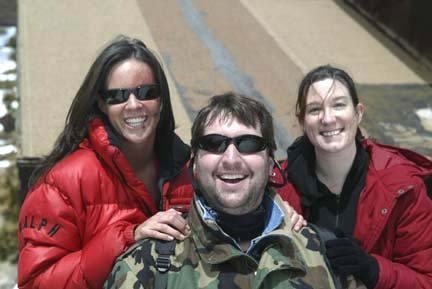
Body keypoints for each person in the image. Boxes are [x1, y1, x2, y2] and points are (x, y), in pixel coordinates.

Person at [104, 92, 365, 289]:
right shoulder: (146, 265)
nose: (231, 158)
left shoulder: (328, 254)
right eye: (214, 143)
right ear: (193, 162)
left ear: (270, 159)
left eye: (248, 143)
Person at [18, 35, 194, 289]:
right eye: (118, 96)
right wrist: (127, 238)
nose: (134, 105)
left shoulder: (191, 170)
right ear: (101, 103)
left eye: (146, 92)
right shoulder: (60, 184)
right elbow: (35, 283)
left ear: (161, 100)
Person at [278, 65, 432, 289]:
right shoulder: (277, 187)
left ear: (358, 113)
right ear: (302, 121)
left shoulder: (403, 187)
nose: (328, 118)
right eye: (314, 109)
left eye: (338, 105)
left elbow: (426, 279)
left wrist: (373, 269)